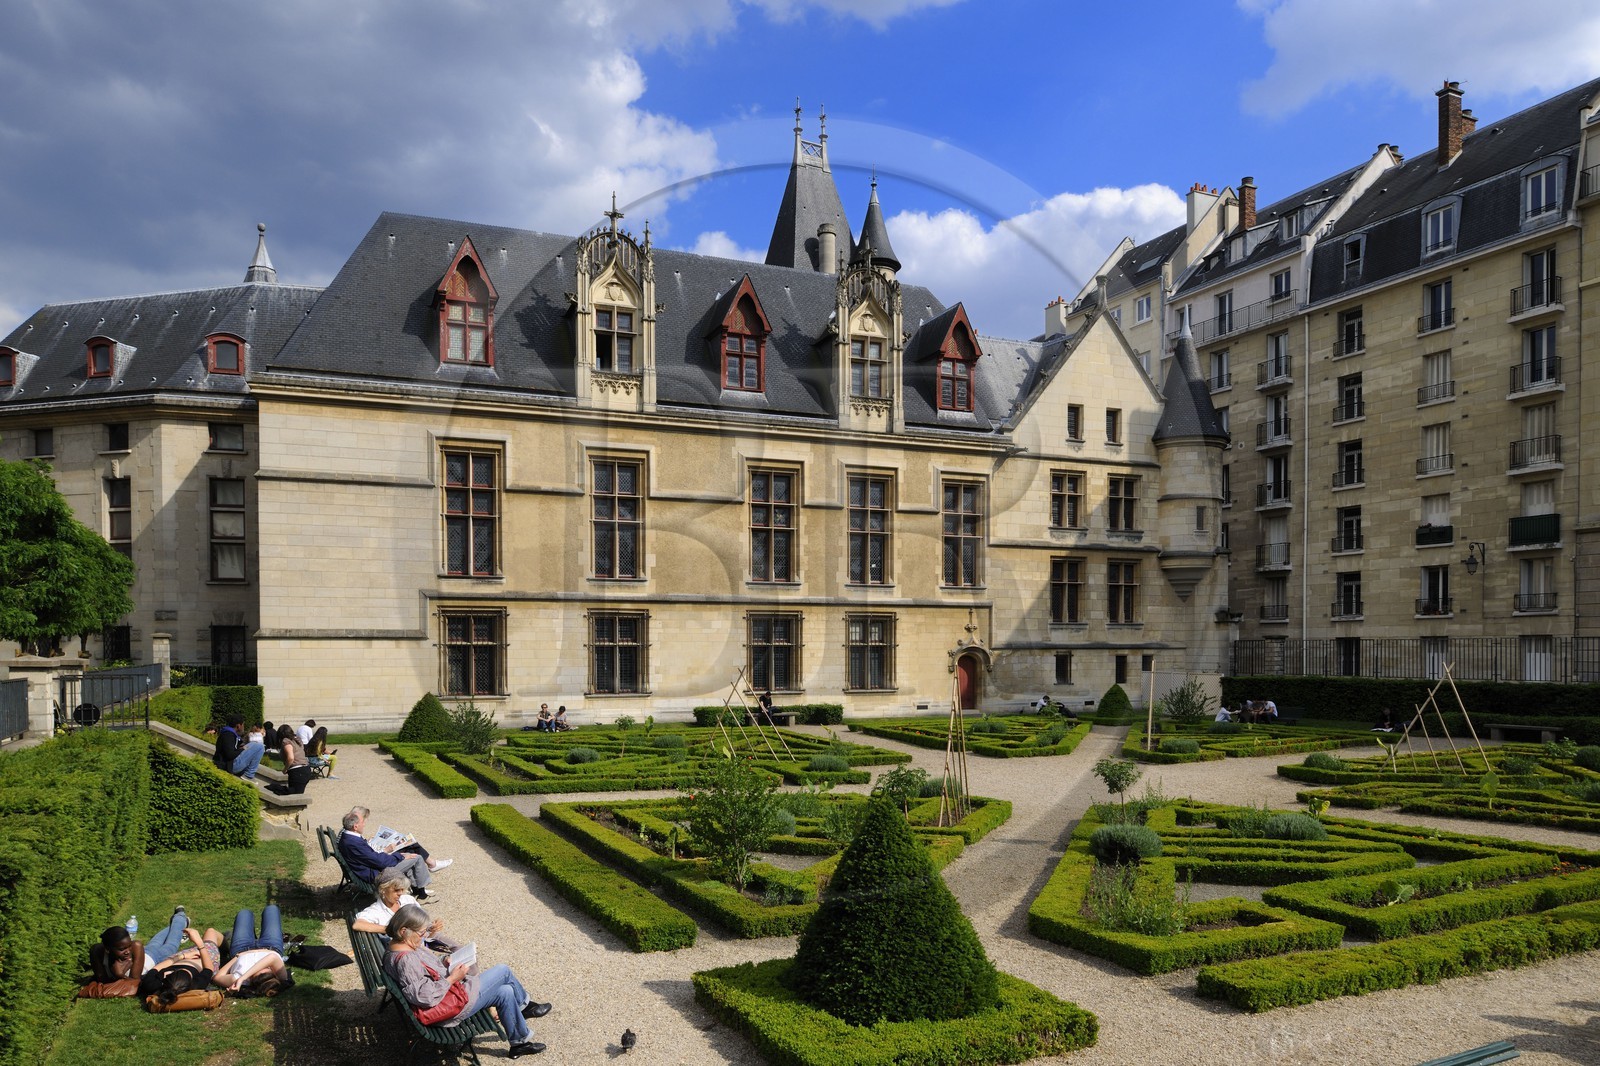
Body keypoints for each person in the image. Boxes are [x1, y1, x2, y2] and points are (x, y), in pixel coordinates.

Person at [382, 905, 549, 1059]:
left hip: (448, 996)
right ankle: (525, 1007)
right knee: (503, 970)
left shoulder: (399, 947)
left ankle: (519, 1043)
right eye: (421, 933)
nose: (423, 936)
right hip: (446, 1006)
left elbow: (424, 975)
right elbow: (423, 996)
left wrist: (444, 961)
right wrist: (452, 978)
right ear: (404, 930)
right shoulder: (406, 959)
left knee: (505, 992)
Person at [352, 872, 474, 971]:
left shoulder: (407, 900)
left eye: (402, 889)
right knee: (457, 959)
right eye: (396, 890)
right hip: (413, 950)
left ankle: (469, 980)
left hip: (424, 939)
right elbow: (358, 924)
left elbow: (422, 924)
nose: (400, 893)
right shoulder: (376, 911)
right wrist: (391, 929)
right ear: (383, 890)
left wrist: (431, 928)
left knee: (461, 950)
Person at [339, 806, 450, 901]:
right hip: (377, 874)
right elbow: (380, 862)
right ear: (355, 827)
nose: (364, 824)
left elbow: (370, 857)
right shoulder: (354, 843)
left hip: (373, 869)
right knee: (417, 858)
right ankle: (422, 896)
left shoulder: (348, 837)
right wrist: (400, 856)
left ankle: (418, 891)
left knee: (409, 856)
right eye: (363, 822)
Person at [213, 905, 292, 997]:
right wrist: (243, 977)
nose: (263, 966)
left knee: (244, 913)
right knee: (272, 909)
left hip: (241, 947)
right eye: (268, 968)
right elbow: (272, 957)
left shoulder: (238, 979)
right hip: (270, 946)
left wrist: (237, 958)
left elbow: (217, 977)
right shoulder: (281, 977)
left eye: (259, 970)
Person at [213, 714, 264, 780]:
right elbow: (230, 755)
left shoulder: (229, 734)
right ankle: (249, 775)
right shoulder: (228, 735)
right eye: (243, 725)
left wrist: (240, 748)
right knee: (260, 746)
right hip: (228, 766)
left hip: (228, 764)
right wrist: (241, 750)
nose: (243, 727)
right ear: (238, 726)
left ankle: (247, 772)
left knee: (254, 744)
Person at [272, 725, 313, 795]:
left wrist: (285, 769)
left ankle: (272, 787)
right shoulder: (297, 740)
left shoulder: (286, 741)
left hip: (297, 771)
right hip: (306, 769)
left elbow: (290, 758)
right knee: (297, 793)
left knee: (293, 794)